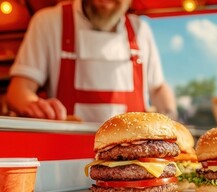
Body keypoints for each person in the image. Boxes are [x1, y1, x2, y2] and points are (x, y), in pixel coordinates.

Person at [7, 0, 177, 123]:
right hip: (64, 154)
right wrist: (35, 106)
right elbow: (18, 91)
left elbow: (158, 88)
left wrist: (170, 116)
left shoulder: (141, 30)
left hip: (132, 157)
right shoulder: (48, 22)